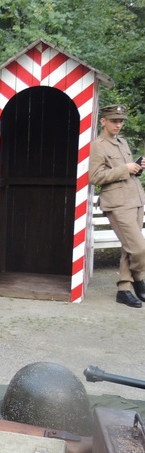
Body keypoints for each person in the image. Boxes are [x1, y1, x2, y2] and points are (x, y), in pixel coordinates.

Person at [89, 104, 145, 308]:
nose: (118, 124)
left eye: (120, 121)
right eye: (114, 120)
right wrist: (124, 168)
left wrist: (136, 168)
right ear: (103, 121)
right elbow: (95, 177)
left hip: (136, 199)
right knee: (139, 249)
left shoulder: (122, 142)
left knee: (128, 248)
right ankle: (138, 279)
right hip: (117, 203)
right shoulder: (98, 145)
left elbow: (127, 171)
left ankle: (124, 289)